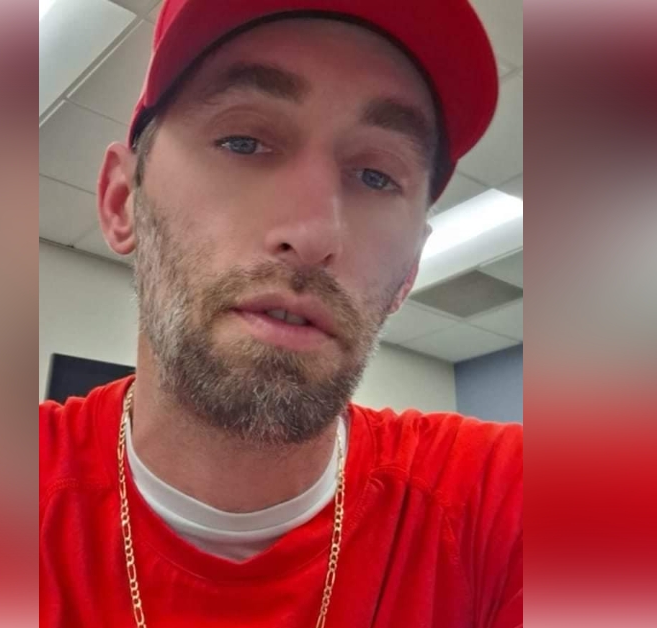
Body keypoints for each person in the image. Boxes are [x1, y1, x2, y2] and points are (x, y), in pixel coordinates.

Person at [39, 1, 522, 626]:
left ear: (409, 272)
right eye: (243, 141)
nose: (315, 234)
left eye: (377, 176)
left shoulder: (500, 505)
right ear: (122, 200)